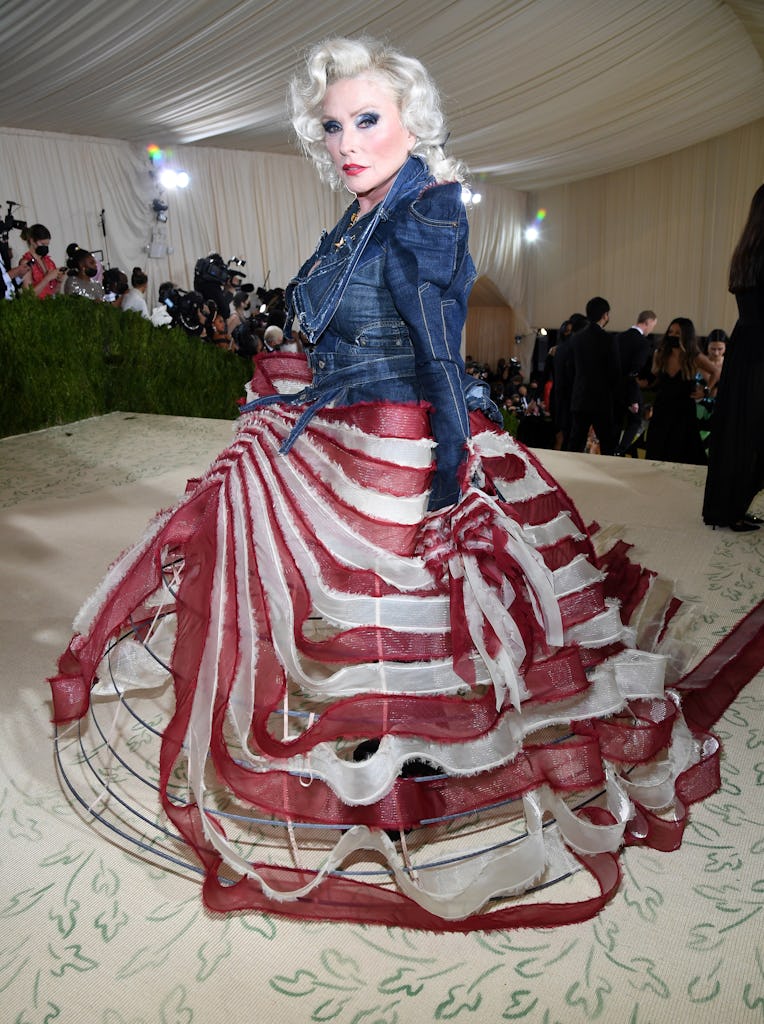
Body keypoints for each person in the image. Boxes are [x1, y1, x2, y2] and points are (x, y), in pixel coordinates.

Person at [48, 37, 723, 931]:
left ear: (413, 120)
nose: (346, 141)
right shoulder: (362, 209)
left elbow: (439, 354)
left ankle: (414, 774)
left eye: (367, 119)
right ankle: (385, 757)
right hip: (345, 425)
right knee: (352, 606)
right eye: (332, 126)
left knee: (402, 612)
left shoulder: (425, 212)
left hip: (402, 440)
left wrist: (446, 476)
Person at [703, 184, 764, 531]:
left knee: (741, 430)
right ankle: (732, 508)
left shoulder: (746, 251)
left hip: (745, 343)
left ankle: (730, 507)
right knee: (750, 431)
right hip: (758, 350)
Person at [645, 317, 718, 465]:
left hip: (684, 411)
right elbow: (654, 376)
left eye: (678, 333)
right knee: (657, 449)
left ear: (686, 335)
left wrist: (706, 390)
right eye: (671, 331)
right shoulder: (660, 353)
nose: (673, 335)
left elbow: (716, 372)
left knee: (682, 450)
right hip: (662, 408)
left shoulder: (693, 356)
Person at [566, 296, 620, 455]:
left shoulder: (576, 339)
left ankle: (567, 474)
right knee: (608, 443)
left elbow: (570, 369)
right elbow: (614, 373)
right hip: (602, 400)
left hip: (580, 397)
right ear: (605, 315)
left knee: (575, 442)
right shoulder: (609, 340)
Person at [614, 309, 657, 455]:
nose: (652, 329)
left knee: (617, 422)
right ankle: (620, 451)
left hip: (614, 388)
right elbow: (634, 371)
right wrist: (633, 398)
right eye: (653, 325)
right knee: (635, 421)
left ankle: (611, 451)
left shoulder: (618, 338)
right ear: (648, 322)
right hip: (630, 388)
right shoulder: (643, 343)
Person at [19, 224, 65, 298]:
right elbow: (28, 295)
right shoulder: (26, 263)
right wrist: (47, 278)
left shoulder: (49, 262)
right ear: (32, 241)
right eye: (42, 244)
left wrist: (59, 281)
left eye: (47, 245)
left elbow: (54, 292)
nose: (45, 247)